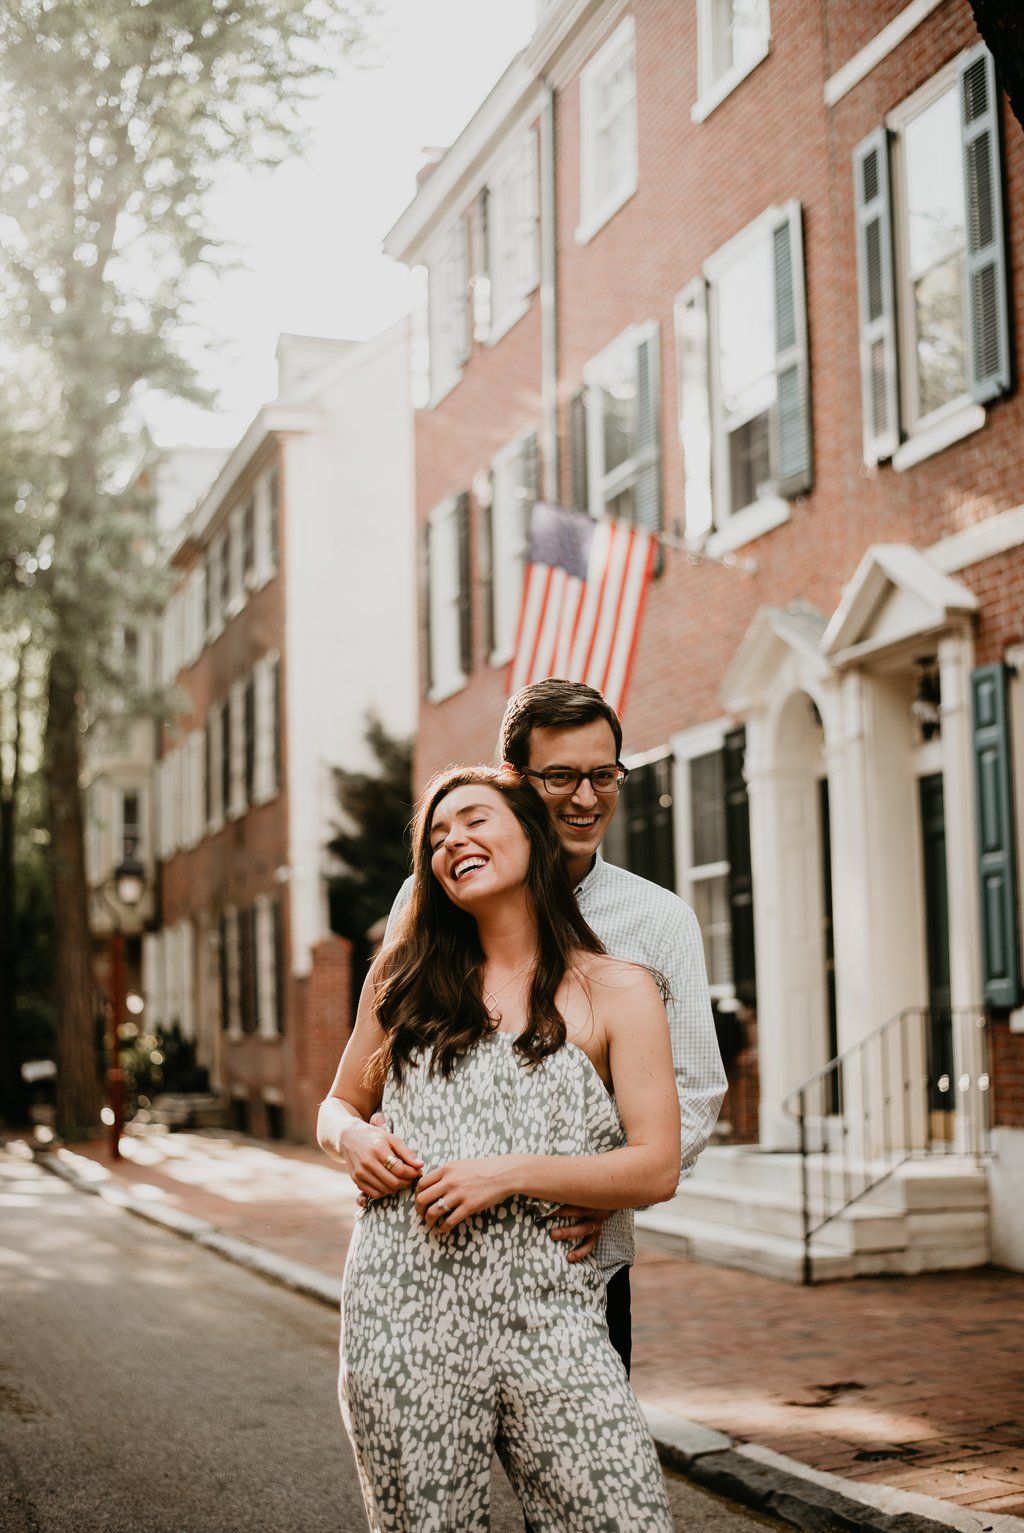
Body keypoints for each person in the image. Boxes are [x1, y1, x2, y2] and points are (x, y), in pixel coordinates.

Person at [318, 766, 677, 1532]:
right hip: (401, 1308)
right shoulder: (403, 975)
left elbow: (656, 1164)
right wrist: (351, 1136)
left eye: (475, 820)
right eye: (438, 838)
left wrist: (510, 1173)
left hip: (549, 1313)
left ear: (532, 835)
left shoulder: (618, 989)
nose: (455, 842)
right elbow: (340, 1100)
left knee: (624, 1515)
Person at [359, 679, 727, 1374]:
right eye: (561, 776)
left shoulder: (659, 922)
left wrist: (597, 1190)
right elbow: (381, 1063)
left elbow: (696, 1090)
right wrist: (371, 1131)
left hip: (575, 1263)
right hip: (430, 1260)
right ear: (513, 780)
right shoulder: (431, 895)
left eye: (604, 775)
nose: (587, 799)